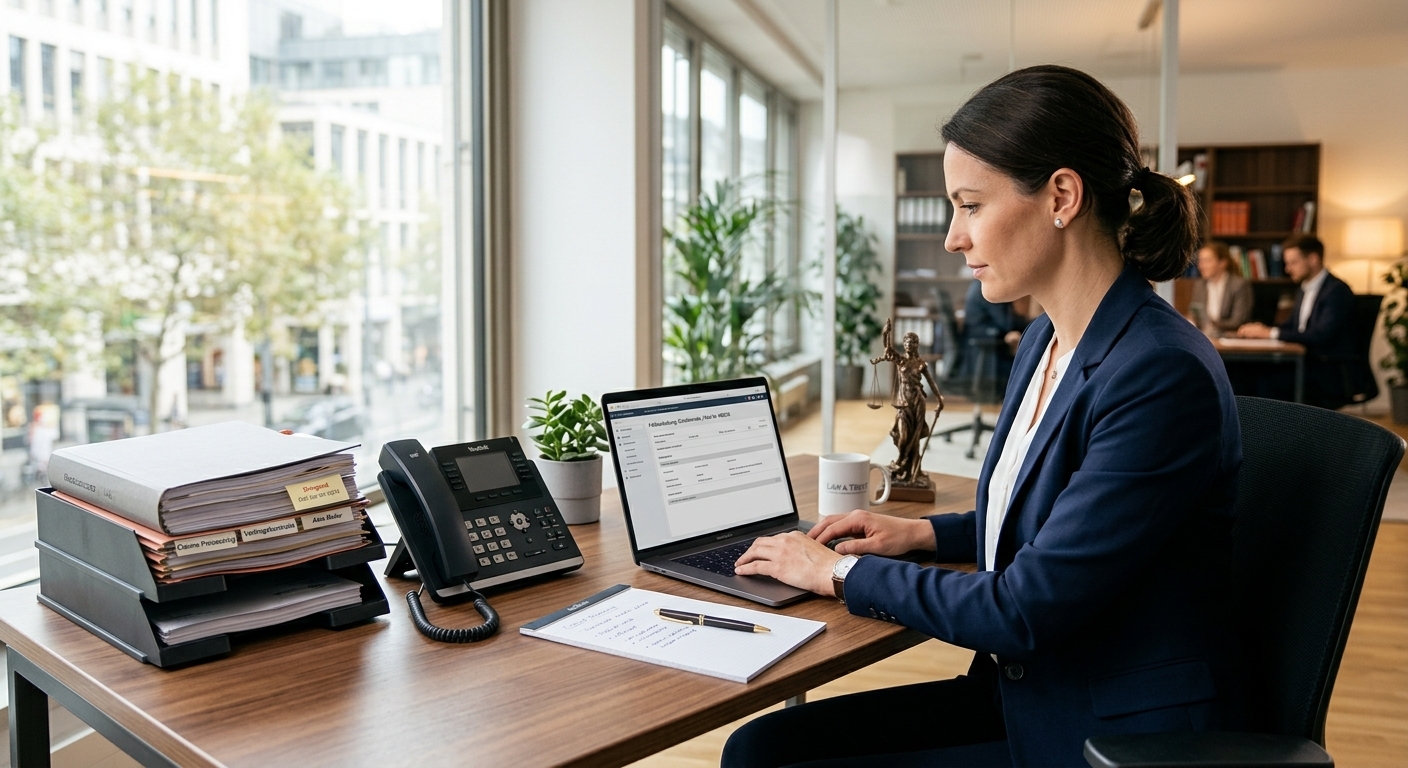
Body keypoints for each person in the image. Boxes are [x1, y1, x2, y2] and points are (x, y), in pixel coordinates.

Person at [725, 65, 1244, 768]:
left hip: (1100, 728)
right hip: (1031, 688)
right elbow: (1055, 521)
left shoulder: (1159, 372)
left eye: (969, 205)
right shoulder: (1044, 340)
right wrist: (918, 533)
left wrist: (835, 575)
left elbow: (1025, 608)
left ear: (1061, 196)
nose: (952, 237)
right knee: (761, 747)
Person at [1236, 235, 1356, 409]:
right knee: (1242, 373)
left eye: (1293, 262)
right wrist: (1264, 330)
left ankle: (1276, 434)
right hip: (1306, 363)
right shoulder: (1304, 288)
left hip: (1326, 370)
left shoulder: (1336, 291)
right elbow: (1292, 326)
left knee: (1266, 383)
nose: (1288, 268)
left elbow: (1320, 335)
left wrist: (1270, 333)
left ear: (1313, 259)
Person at [870, 320, 943, 486]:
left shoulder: (921, 364)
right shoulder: (900, 360)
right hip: (903, 404)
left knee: (915, 438)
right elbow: (887, 349)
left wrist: (940, 400)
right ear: (903, 344)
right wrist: (885, 333)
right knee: (903, 437)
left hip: (917, 402)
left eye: (912, 342)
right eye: (906, 342)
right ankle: (901, 464)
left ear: (917, 345)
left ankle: (913, 471)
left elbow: (931, 383)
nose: (909, 345)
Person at [960, 278, 1031, 397]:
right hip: (988, 340)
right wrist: (1034, 323)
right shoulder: (988, 289)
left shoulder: (979, 284)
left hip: (979, 337)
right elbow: (1006, 322)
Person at [1189, 241, 1253, 335]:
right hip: (1204, 335)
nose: (1201, 266)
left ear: (1222, 263)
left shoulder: (1239, 285)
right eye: (1200, 261)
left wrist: (1213, 324)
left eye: (1207, 261)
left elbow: (1238, 321)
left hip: (1230, 338)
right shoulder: (1200, 285)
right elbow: (1195, 314)